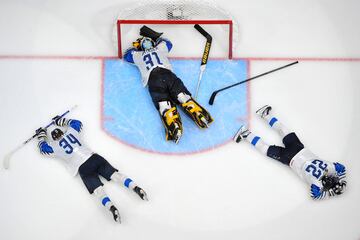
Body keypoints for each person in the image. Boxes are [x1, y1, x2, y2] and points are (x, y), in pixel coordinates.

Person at [36, 115, 148, 223]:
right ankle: (136, 187)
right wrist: (62, 121)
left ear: (54, 139)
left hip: (82, 168)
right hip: (94, 158)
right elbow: (77, 123)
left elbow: (43, 149)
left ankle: (111, 207)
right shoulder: (71, 132)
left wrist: (41, 136)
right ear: (62, 132)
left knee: (98, 191)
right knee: (115, 175)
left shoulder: (55, 146)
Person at [233, 105, 347, 200]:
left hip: (298, 148)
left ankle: (265, 115)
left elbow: (341, 168)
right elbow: (316, 196)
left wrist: (341, 180)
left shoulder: (329, 168)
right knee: (266, 149)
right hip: (289, 159)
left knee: (283, 130)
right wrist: (330, 192)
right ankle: (246, 134)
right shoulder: (316, 183)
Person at [123, 28, 213, 144]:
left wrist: (136, 47)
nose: (146, 43)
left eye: (147, 41)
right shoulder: (160, 49)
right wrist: (156, 38)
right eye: (145, 42)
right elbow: (168, 43)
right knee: (182, 95)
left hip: (153, 80)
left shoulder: (139, 55)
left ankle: (173, 124)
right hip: (168, 75)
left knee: (164, 105)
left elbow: (127, 55)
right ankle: (197, 112)